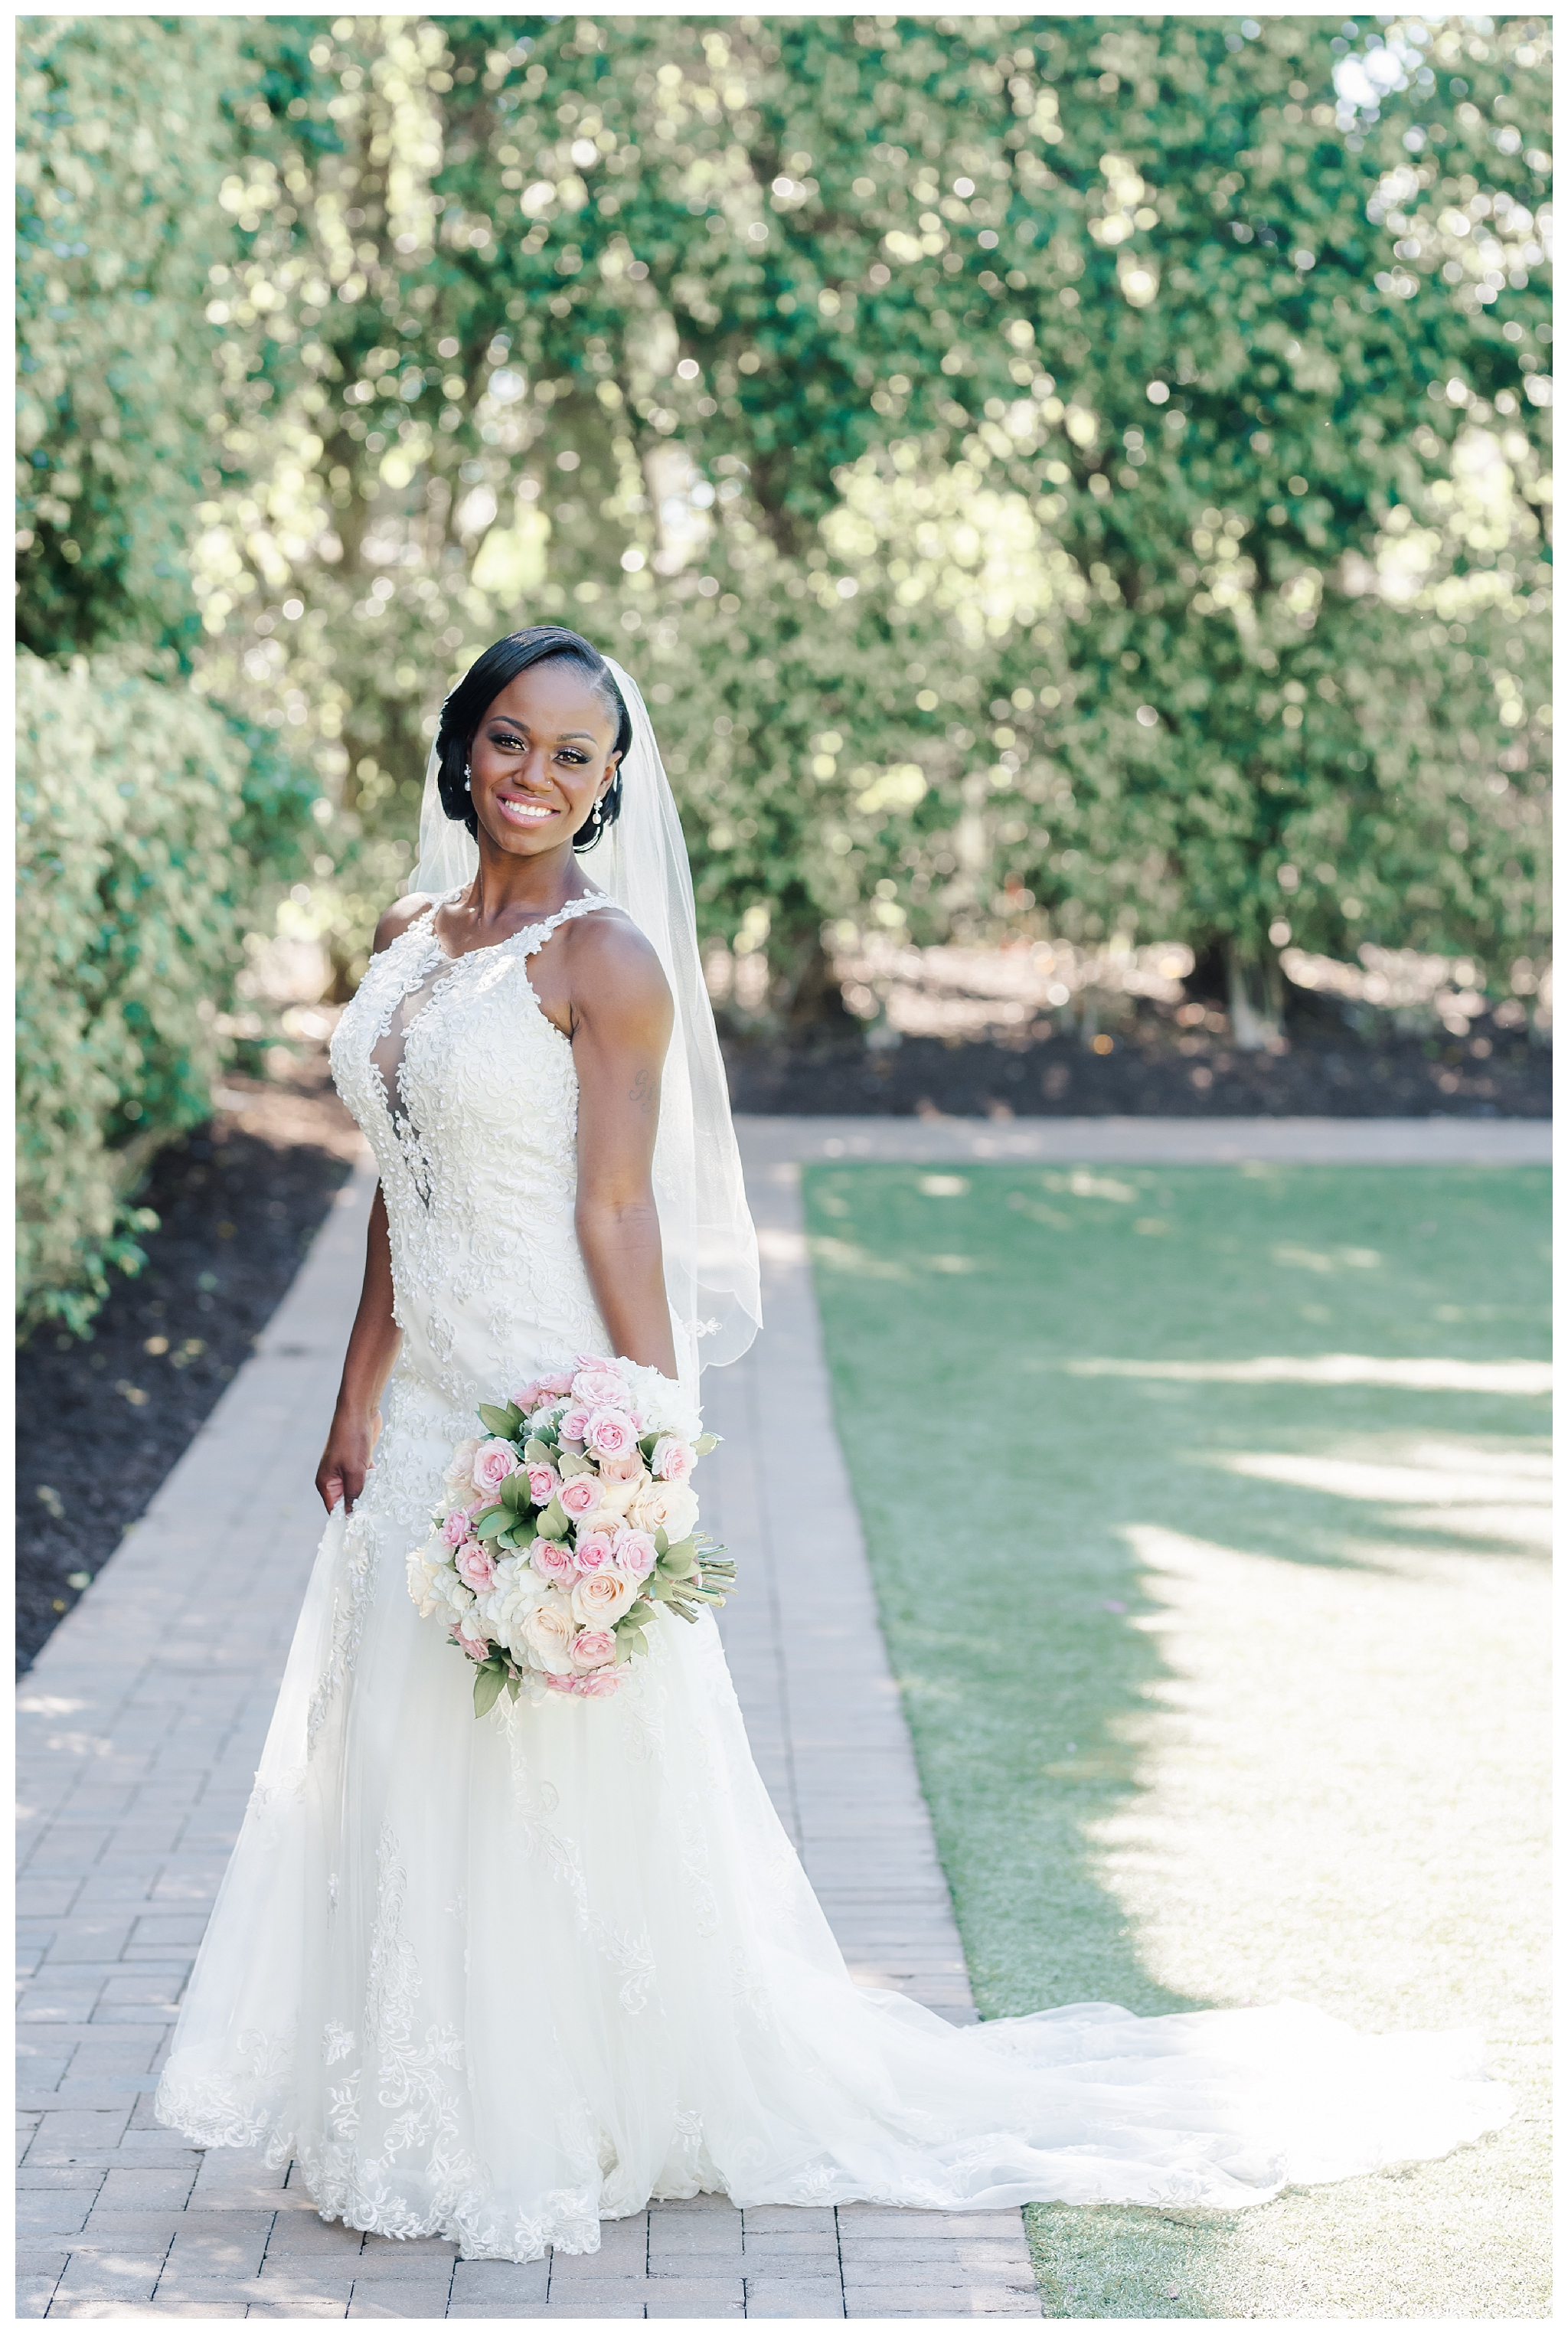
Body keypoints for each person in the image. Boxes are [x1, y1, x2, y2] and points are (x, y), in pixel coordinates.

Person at [157, 626, 1511, 2260]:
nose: (534, 776)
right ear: (464, 746)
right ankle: (401, 2100)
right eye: (509, 741)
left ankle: (550, 2114)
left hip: (540, 1411)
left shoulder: (607, 964)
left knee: (541, 1766)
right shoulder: (405, 933)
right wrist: (357, 1386)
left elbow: (616, 1215)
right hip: (426, 1398)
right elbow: (402, 1183)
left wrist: (641, 1445)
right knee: (403, 1743)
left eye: (573, 756)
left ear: (608, 787)